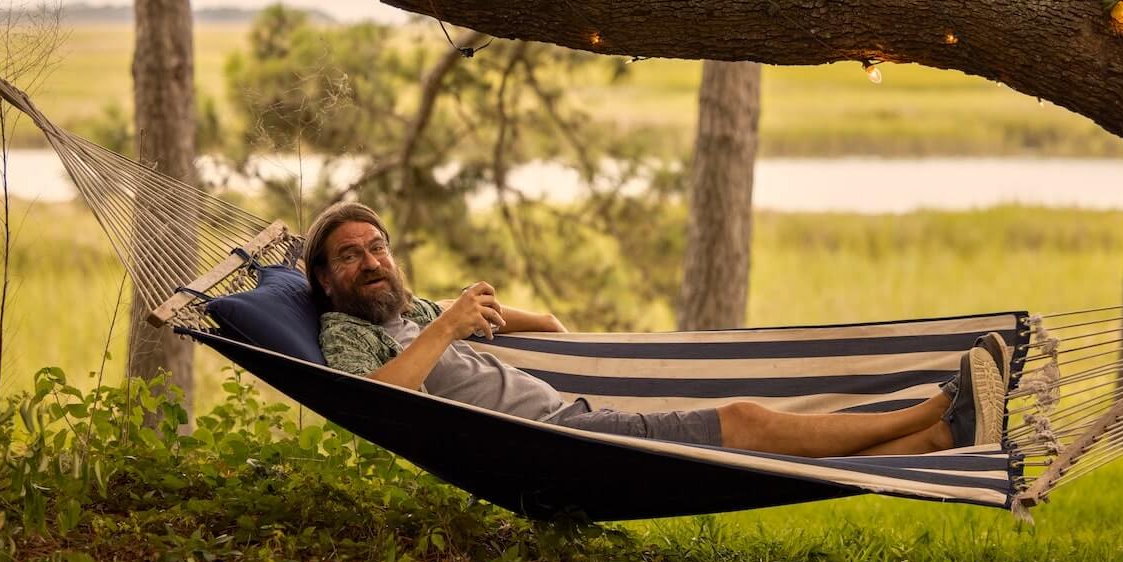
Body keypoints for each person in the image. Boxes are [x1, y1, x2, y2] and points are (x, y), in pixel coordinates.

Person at [307, 202, 1009, 457]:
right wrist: (450, 327)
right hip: (552, 446)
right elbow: (376, 401)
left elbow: (547, 323)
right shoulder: (348, 332)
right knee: (743, 419)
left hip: (575, 414)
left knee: (747, 421)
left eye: (378, 246)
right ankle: (937, 406)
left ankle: (942, 438)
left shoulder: (414, 314)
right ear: (325, 279)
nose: (371, 261)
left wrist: (482, 316)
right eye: (351, 255)